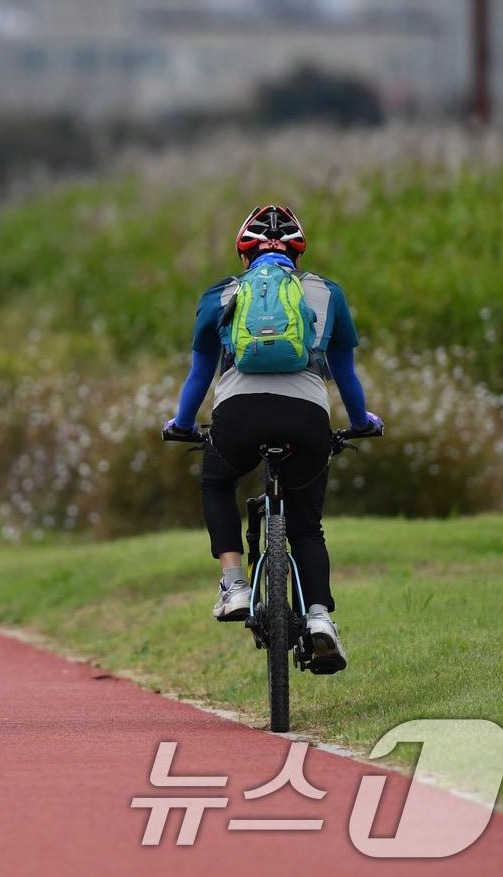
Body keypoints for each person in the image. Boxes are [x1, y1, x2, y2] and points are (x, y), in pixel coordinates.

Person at [163, 204, 383, 674]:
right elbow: (346, 374)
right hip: (307, 416)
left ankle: (235, 584)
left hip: (238, 415)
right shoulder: (327, 293)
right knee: (306, 526)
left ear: (245, 256)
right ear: (298, 256)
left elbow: (199, 374)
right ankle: (319, 617)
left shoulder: (221, 294)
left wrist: (181, 424)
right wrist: (362, 421)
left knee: (217, 482)